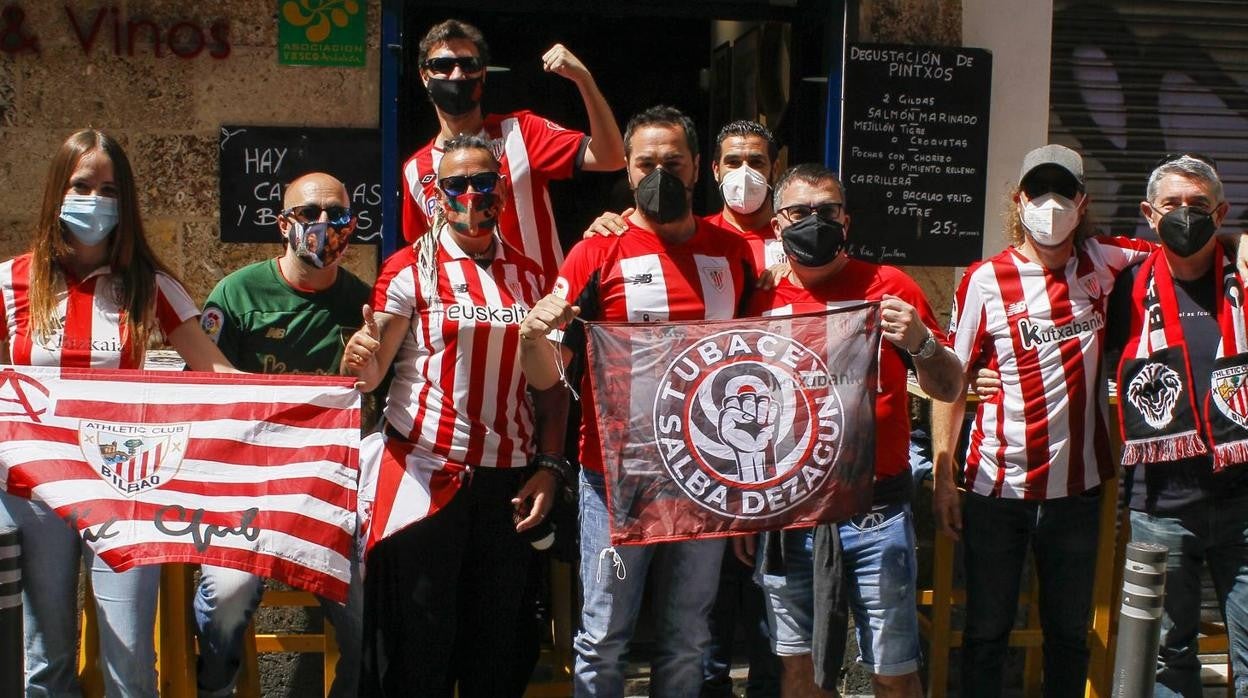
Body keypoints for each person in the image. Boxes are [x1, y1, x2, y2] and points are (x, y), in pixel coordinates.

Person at [517, 104, 757, 698]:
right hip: (616, 480)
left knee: (688, 638)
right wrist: (531, 335)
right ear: (627, 170)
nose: (660, 173)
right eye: (646, 163)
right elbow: (550, 374)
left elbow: (761, 358)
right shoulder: (595, 253)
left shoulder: (733, 253)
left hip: (708, 477)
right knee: (602, 638)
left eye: (673, 162)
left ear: (698, 167)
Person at [0, 129, 234, 696]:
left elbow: (222, 378)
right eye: (82, 185)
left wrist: (317, 400)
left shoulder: (150, 286)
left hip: (124, 489)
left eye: (109, 189)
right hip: (34, 491)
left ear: (126, 201)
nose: (95, 199)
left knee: (130, 664)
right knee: (45, 661)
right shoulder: (10, 282)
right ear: (58, 190)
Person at [344, 134, 570, 697]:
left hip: (508, 484)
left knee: (498, 644)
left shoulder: (533, 276)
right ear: (437, 194)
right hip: (423, 474)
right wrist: (359, 359)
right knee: (417, 644)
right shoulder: (408, 270)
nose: (471, 194)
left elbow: (552, 390)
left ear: (501, 189)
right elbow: (371, 377)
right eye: (456, 184)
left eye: (482, 181)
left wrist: (549, 465)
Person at [931, 144, 1156, 697]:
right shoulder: (984, 280)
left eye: (1063, 191)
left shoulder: (1107, 260)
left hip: (1076, 493)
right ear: (1019, 199)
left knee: (1069, 633)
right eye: (1039, 191)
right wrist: (943, 478)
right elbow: (949, 381)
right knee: (986, 631)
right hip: (994, 488)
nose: (1050, 205)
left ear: (1082, 203)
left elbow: (1179, 253)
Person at [738, 164, 962, 698]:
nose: (814, 222)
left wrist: (921, 343)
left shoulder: (890, 287)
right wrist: (745, 507)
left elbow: (950, 385)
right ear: (777, 225)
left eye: (827, 211)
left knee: (894, 669)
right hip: (786, 511)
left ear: (846, 219)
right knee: (799, 671)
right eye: (800, 213)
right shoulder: (758, 301)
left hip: (876, 512)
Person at [192, 172, 369, 697]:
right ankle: (216, 685)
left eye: (335, 215)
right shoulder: (237, 293)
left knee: (370, 602)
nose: (322, 225)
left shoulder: (363, 303)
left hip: (330, 492)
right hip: (244, 488)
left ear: (351, 225)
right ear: (282, 225)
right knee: (225, 595)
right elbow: (200, 386)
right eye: (308, 214)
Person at [1106, 154, 1248, 697]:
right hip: (1161, 507)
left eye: (1198, 205)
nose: (1185, 215)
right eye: (1172, 205)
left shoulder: (1244, 278)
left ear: (1221, 213)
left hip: (1243, 505)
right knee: (1167, 656)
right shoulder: (1126, 289)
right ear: (1149, 213)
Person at [402, 18, 625, 282]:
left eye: (469, 64)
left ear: (483, 74)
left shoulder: (522, 132)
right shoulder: (415, 170)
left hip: (541, 308)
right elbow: (421, 252)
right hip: (465, 316)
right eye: (442, 65)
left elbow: (611, 157)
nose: (457, 75)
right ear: (424, 76)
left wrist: (583, 79)